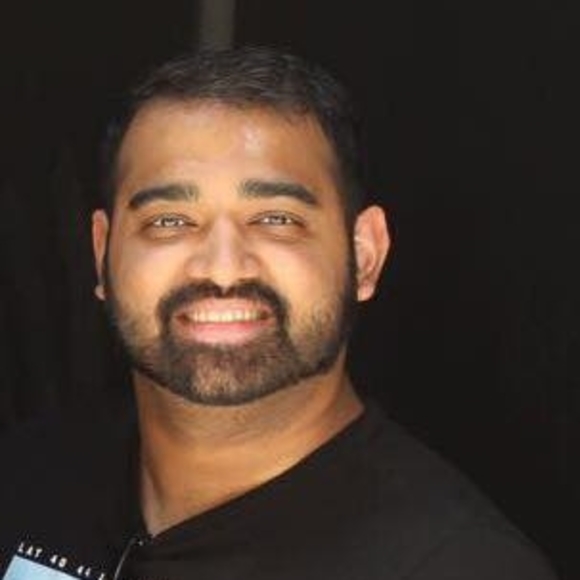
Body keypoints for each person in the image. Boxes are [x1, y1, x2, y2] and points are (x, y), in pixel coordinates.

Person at [0, 47, 557, 580]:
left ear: (364, 256)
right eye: (169, 221)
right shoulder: (30, 476)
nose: (222, 268)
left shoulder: (460, 564)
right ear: (101, 253)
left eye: (276, 219)